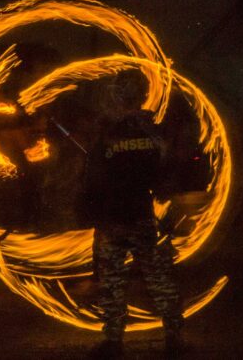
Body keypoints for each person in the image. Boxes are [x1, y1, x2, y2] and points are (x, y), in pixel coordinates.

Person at [82, 70, 183, 357]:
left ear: (118, 96)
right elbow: (166, 175)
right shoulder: (154, 132)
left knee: (113, 281)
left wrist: (93, 212)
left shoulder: (107, 133)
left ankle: (113, 341)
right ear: (142, 95)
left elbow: (93, 179)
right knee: (159, 278)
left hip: (114, 218)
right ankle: (173, 337)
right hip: (143, 216)